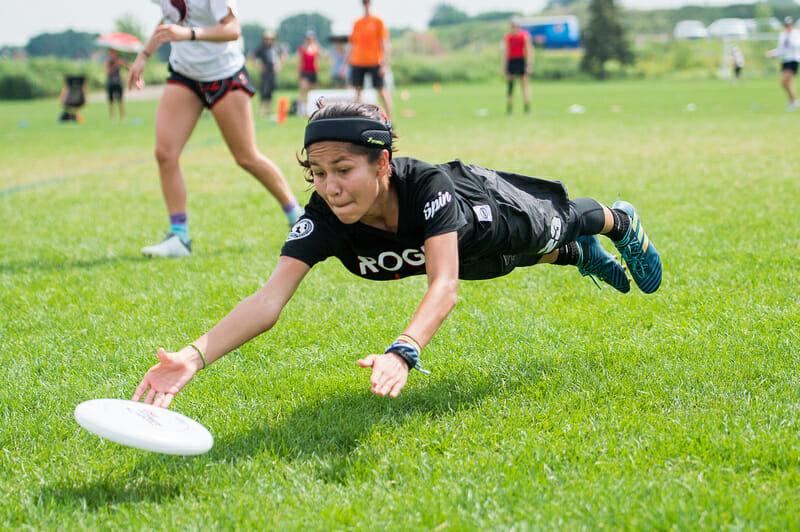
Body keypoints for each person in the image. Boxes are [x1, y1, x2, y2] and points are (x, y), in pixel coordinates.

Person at [132, 100, 663, 408]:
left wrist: (404, 349)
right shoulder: (321, 218)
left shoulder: (426, 185)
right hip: (459, 253)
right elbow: (268, 301)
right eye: (318, 173)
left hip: (483, 208)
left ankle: (618, 220)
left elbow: (442, 287)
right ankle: (578, 257)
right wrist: (193, 356)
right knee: (493, 265)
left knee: (546, 227)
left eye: (344, 169)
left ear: (382, 163)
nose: (330, 186)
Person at [128, 0, 305, 258]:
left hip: (225, 75)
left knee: (246, 157)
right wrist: (143, 57)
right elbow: (171, 17)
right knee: (165, 154)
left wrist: (189, 34)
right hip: (185, 74)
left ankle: (297, 217)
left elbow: (232, 29)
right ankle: (179, 237)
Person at [348, 0, 393, 121]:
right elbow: (352, 44)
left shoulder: (378, 21)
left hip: (375, 61)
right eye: (364, 2)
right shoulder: (357, 23)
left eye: (367, 2)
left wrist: (384, 63)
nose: (366, 5)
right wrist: (346, 63)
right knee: (357, 92)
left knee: (382, 91)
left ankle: (389, 120)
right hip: (358, 61)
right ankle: (358, 119)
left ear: (370, 4)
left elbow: (384, 42)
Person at [766, 16, 800, 111]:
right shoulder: (782, 35)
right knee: (786, 83)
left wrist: (790, 36)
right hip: (785, 60)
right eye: (786, 25)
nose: (787, 27)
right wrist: (772, 53)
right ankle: (792, 101)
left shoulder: (796, 34)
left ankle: (793, 100)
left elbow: (796, 45)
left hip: (793, 60)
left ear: (792, 25)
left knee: (785, 80)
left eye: (789, 25)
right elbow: (781, 49)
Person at [248, 29, 282, 119]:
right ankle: (262, 111)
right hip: (265, 72)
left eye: (270, 38)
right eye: (267, 38)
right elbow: (251, 55)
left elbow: (282, 55)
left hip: (272, 72)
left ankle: (269, 111)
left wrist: (279, 65)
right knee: (264, 91)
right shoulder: (261, 48)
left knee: (271, 91)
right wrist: (258, 66)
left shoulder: (275, 47)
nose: (269, 40)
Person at [504, 17, 534, 114]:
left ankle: (526, 108)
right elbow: (506, 52)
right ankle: (509, 109)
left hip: (520, 61)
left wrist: (529, 64)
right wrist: (505, 66)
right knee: (510, 86)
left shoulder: (523, 36)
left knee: (524, 85)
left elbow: (528, 50)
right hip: (511, 61)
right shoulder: (508, 37)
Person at [296, 30, 321, 117]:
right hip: (305, 72)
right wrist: (298, 74)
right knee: (303, 91)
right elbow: (299, 62)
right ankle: (302, 111)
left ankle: (311, 110)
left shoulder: (316, 48)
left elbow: (319, 59)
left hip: (313, 72)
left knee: (312, 93)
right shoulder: (302, 48)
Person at [105, 49, 131, 121]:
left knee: (120, 101)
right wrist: (115, 65)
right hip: (110, 83)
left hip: (118, 82)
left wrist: (126, 61)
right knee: (111, 102)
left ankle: (123, 117)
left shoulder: (119, 60)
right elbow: (108, 71)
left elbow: (128, 67)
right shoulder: (108, 62)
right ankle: (112, 117)